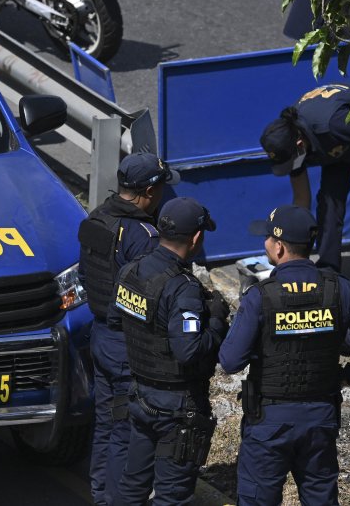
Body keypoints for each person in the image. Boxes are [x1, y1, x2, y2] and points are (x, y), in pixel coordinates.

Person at [219, 204, 350, 506]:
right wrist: (348, 376)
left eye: (266, 239)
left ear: (278, 247)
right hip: (320, 418)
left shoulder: (260, 296)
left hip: (268, 421)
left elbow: (230, 361)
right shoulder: (340, 290)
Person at [113, 196, 228, 505]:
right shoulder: (182, 287)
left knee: (133, 485)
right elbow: (188, 350)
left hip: (139, 395)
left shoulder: (132, 271)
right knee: (172, 496)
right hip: (176, 407)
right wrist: (216, 321)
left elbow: (118, 319)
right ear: (196, 238)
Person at [78, 152, 178, 506]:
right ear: (149, 191)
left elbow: (82, 276)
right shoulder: (143, 236)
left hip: (100, 335)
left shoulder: (96, 219)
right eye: (163, 187)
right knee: (125, 429)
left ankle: (100, 494)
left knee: (105, 423)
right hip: (125, 344)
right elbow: (153, 297)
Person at [259, 82, 350, 291]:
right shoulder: (290, 143)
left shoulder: (334, 124)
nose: (290, 167)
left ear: (300, 145)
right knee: (328, 203)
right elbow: (302, 201)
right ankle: (329, 268)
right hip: (338, 146)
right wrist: (292, 249)